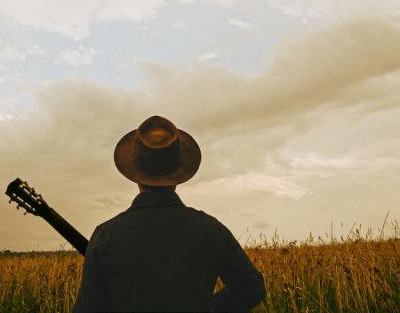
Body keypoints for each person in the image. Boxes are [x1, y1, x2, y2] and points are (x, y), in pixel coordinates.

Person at [73, 116, 266, 313]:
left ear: (136, 174)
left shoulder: (106, 236)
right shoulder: (211, 230)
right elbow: (252, 289)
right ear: (178, 173)